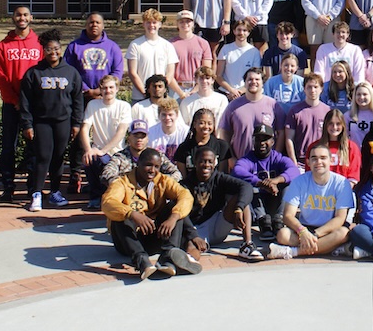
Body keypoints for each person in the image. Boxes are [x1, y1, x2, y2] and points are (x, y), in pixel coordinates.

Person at [102, 148, 201, 279]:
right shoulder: (122, 182)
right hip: (127, 241)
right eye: (148, 165)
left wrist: (173, 217)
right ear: (138, 164)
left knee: (175, 207)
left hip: (151, 236)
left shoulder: (163, 180)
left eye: (156, 167)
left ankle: (168, 256)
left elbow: (185, 196)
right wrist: (133, 214)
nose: (152, 170)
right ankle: (141, 261)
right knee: (119, 216)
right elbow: (107, 202)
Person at [20, 29, 84, 212]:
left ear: (60, 49)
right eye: (49, 49)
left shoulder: (71, 73)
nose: (53, 52)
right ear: (43, 50)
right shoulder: (33, 73)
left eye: (56, 48)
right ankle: (37, 193)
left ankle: (55, 192)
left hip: (63, 122)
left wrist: (76, 123)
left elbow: (78, 100)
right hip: (42, 122)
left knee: (58, 158)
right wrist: (27, 124)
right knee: (43, 157)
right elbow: (25, 101)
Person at [62, 12, 124, 194]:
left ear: (103, 25)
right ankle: (75, 174)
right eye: (90, 22)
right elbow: (69, 70)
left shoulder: (112, 47)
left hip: (106, 97)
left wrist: (100, 91)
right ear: (86, 24)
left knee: (105, 133)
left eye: (97, 22)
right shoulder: (75, 46)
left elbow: (118, 71)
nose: (94, 25)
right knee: (79, 136)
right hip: (80, 98)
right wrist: (86, 89)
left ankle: (101, 175)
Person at [267, 144, 354, 259]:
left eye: (323, 158)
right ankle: (331, 247)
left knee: (343, 233)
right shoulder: (298, 182)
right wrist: (302, 231)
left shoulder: (342, 183)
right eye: (314, 158)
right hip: (305, 228)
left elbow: (339, 219)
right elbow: (288, 216)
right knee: (283, 235)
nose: (318, 162)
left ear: (331, 160)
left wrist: (314, 235)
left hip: (329, 229)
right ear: (308, 162)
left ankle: (293, 252)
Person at [0, 5, 43, 202]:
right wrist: (16, 101)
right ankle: (8, 187)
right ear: (13, 18)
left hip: (34, 106)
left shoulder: (39, 44)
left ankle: (33, 189)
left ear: (31, 17)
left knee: (34, 148)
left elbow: (43, 73)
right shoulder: (3, 46)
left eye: (25, 15)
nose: (21, 18)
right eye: (18, 15)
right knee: (9, 147)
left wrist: (31, 102)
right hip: (11, 105)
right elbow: (2, 77)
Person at [182, 147, 262, 260]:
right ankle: (189, 261)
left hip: (218, 224)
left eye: (210, 161)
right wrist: (193, 235)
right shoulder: (185, 184)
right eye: (202, 161)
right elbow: (179, 212)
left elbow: (246, 186)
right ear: (195, 162)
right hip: (196, 228)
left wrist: (239, 208)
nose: (206, 165)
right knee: (191, 246)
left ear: (215, 163)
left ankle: (247, 245)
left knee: (242, 197)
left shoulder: (219, 178)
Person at [233, 124, 300, 241]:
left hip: (275, 199)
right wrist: (261, 183)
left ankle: (279, 220)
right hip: (257, 203)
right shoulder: (248, 159)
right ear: (253, 141)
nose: (262, 143)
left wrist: (275, 181)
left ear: (273, 142)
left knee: (289, 185)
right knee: (248, 186)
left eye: (265, 139)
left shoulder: (278, 158)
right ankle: (264, 222)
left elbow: (295, 171)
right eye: (258, 139)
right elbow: (237, 170)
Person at [80, 74, 132, 210]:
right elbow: (85, 128)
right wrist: (88, 150)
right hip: (97, 150)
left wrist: (103, 151)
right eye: (104, 88)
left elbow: (121, 132)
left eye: (111, 87)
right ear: (100, 89)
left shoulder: (124, 106)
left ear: (116, 89)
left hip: (118, 152)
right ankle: (95, 196)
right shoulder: (93, 105)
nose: (108, 91)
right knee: (90, 159)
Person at [219, 68, 283, 164]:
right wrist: (230, 158)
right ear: (244, 83)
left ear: (262, 83)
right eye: (250, 79)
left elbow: (281, 133)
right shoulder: (233, 106)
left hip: (267, 163)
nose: (253, 82)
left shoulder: (273, 105)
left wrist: (276, 155)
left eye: (257, 79)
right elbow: (224, 132)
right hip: (240, 162)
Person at [99, 119, 181, 187]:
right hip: (127, 194)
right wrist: (125, 183)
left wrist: (158, 182)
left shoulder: (157, 156)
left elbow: (176, 173)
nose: (139, 139)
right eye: (136, 135)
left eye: (142, 136)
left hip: (154, 194)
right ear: (129, 137)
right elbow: (106, 174)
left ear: (147, 139)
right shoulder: (120, 157)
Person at [126, 8, 180, 103]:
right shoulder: (135, 45)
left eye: (154, 22)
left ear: (160, 24)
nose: (151, 25)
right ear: (143, 24)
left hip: (161, 98)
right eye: (148, 22)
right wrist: (146, 93)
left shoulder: (167, 45)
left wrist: (159, 92)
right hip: (140, 97)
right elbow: (132, 73)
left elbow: (170, 73)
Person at [305, 108, 362, 186]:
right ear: (325, 125)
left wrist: (342, 193)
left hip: (343, 190)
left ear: (343, 126)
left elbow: (353, 177)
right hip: (319, 191)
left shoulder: (352, 147)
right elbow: (309, 173)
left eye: (338, 124)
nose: (334, 127)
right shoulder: (315, 147)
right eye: (331, 123)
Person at [284, 73, 331, 163]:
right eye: (309, 87)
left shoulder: (327, 111)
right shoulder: (295, 111)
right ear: (304, 89)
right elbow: (289, 138)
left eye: (315, 87)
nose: (312, 90)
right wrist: (293, 161)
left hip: (321, 158)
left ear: (321, 89)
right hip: (301, 160)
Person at [174, 108, 231, 177]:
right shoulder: (183, 148)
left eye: (209, 123)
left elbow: (222, 175)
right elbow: (182, 178)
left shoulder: (222, 146)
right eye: (202, 123)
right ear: (194, 124)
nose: (206, 126)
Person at [170, 9, 213, 99]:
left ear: (193, 23)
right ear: (177, 24)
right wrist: (181, 93)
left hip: (200, 87)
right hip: (176, 90)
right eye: (181, 21)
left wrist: (195, 90)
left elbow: (206, 70)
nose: (185, 24)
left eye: (188, 21)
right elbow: (169, 73)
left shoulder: (203, 43)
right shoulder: (170, 45)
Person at [215, 20, 262, 99]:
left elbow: (256, 75)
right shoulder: (225, 49)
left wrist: (240, 91)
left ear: (249, 33)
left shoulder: (254, 52)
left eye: (244, 30)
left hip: (246, 93)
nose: (241, 33)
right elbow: (218, 76)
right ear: (234, 31)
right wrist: (231, 90)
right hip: (226, 93)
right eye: (239, 30)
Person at [146, 98, 190, 162]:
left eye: (170, 115)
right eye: (164, 114)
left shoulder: (185, 132)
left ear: (177, 115)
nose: (167, 118)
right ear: (159, 115)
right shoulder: (151, 132)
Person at [345, 82, 373, 146]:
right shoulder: (347, 116)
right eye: (358, 94)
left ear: (371, 95)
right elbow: (345, 138)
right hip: (354, 153)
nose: (361, 97)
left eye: (365, 94)